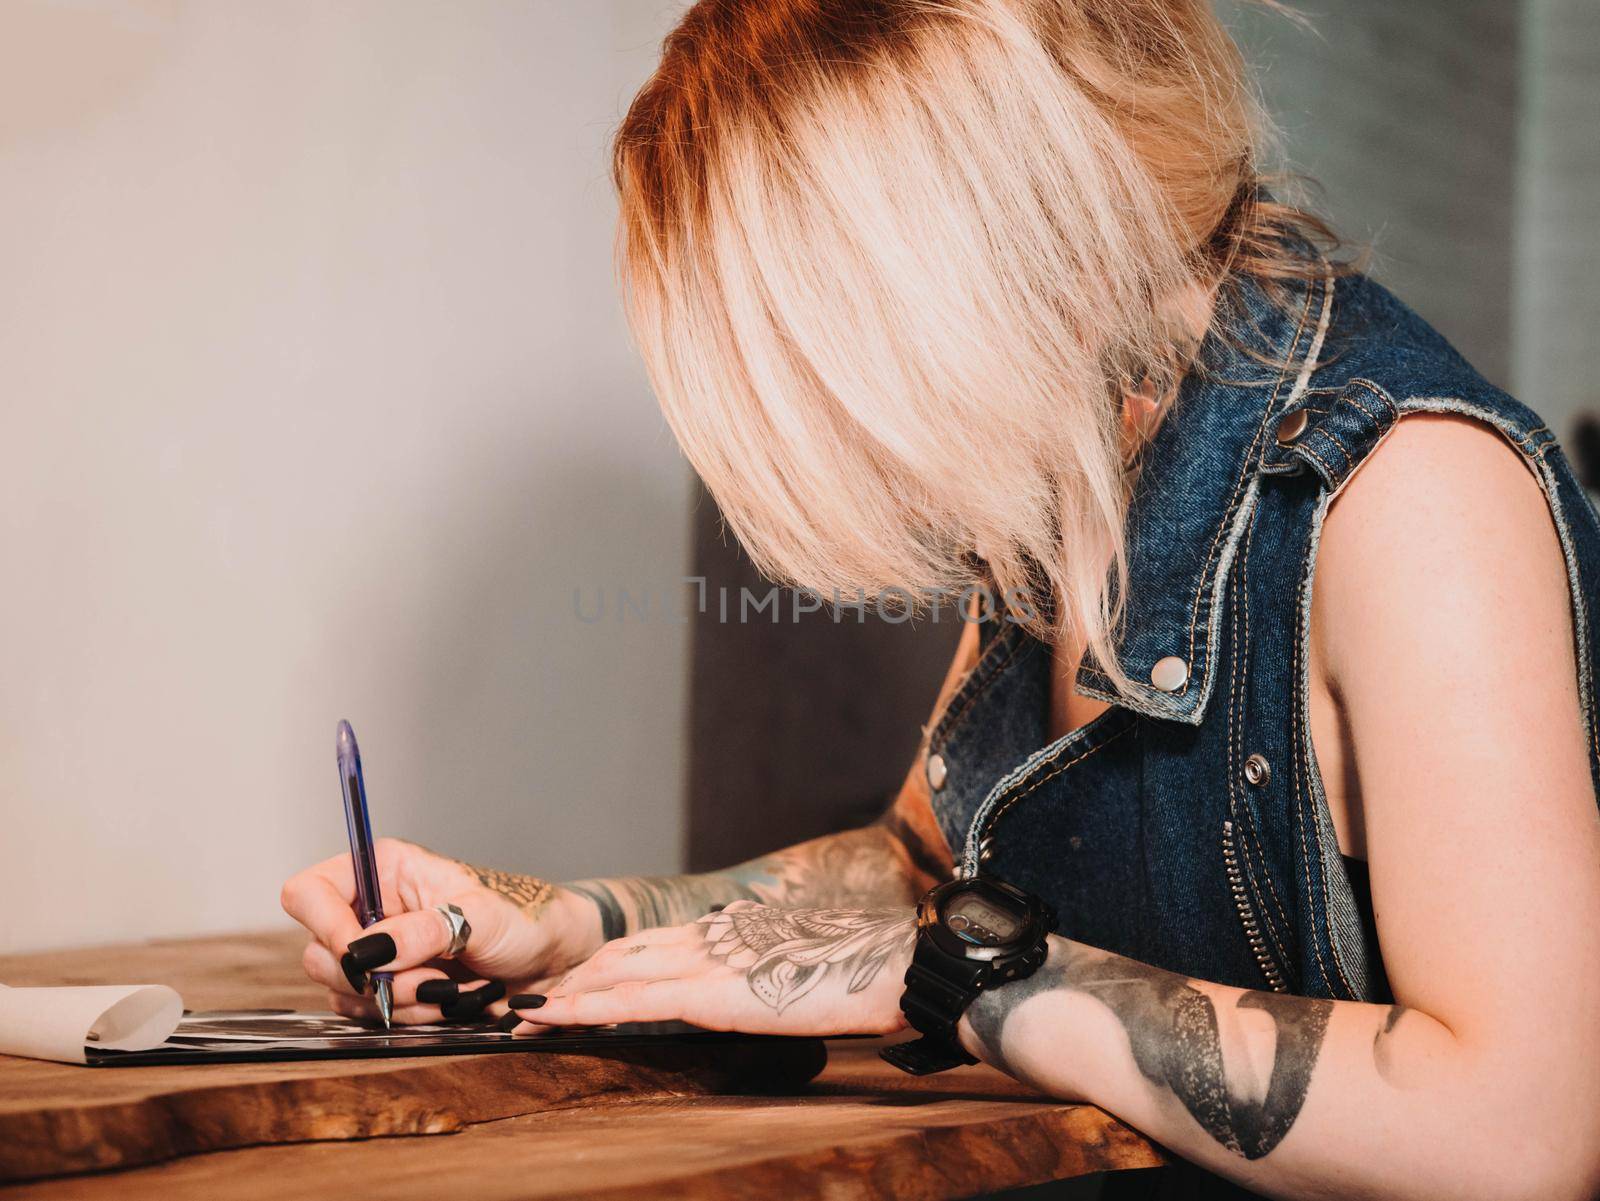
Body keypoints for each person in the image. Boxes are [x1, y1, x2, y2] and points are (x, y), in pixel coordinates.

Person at [281, 1, 1600, 1196]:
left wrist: (975, 981)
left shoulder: (1406, 498)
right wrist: (569, 921)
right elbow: (919, 862)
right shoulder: (1081, 452)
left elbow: (1523, 1133)